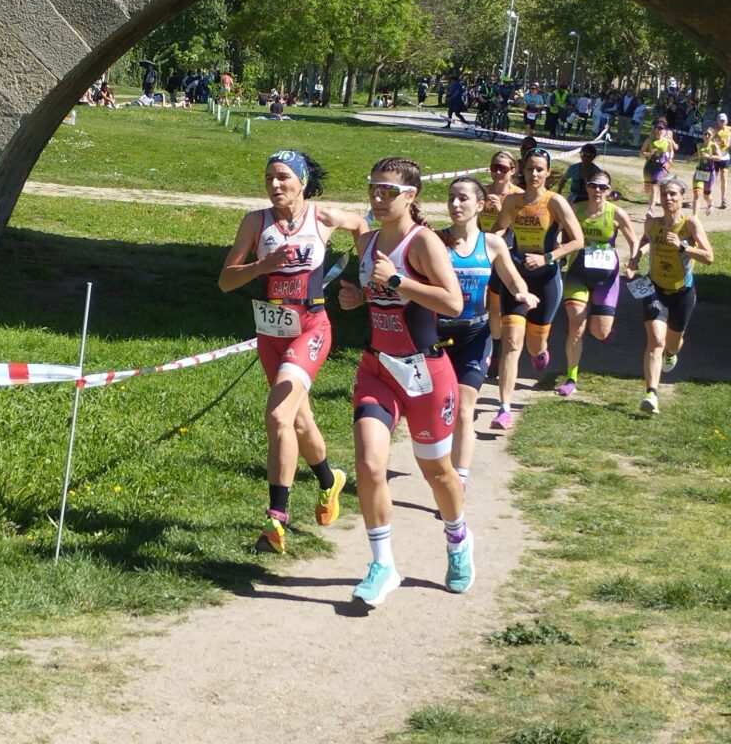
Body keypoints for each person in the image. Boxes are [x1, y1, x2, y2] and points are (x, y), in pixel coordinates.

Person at [337, 158, 471, 605]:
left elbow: (453, 302)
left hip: (425, 372)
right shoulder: (369, 242)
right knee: (370, 465)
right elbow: (372, 295)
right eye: (373, 188)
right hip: (377, 367)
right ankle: (383, 565)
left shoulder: (423, 243)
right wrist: (356, 297)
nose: (377, 197)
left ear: (410, 197)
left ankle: (457, 539)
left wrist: (399, 280)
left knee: (437, 472)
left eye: (388, 191)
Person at [218, 150, 367, 553]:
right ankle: (328, 479)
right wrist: (260, 267)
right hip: (271, 331)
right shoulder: (255, 221)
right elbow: (226, 281)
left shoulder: (321, 218)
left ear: (302, 181)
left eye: (283, 177)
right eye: (268, 178)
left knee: (278, 414)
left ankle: (275, 519)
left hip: (312, 328)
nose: (275, 185)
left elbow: (361, 225)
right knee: (298, 420)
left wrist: (365, 280)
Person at [438, 178, 538, 491]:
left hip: (474, 335)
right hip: (437, 336)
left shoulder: (491, 244)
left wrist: (523, 294)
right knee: (438, 408)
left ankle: (459, 479)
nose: (455, 205)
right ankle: (436, 464)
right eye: (451, 198)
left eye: (463, 199)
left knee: (465, 410)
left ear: (480, 205)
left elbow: (512, 277)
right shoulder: (434, 241)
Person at [490, 148, 584, 429]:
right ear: (522, 169)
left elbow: (577, 240)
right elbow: (498, 230)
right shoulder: (513, 202)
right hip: (517, 278)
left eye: (540, 169)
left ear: (548, 173)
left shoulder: (554, 203)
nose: (534, 174)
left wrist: (547, 257)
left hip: (546, 280)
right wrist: (484, 245)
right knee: (511, 342)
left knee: (533, 343)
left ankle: (540, 351)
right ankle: (504, 408)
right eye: (530, 168)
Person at [624, 179, 713, 415]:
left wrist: (683, 247)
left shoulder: (690, 224)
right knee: (655, 341)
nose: (668, 198)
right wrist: (635, 258)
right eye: (665, 194)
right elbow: (646, 240)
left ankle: (672, 354)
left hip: (682, 292)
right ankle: (651, 394)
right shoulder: (653, 223)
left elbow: (709, 256)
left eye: (673, 194)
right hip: (655, 288)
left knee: (672, 344)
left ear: (682, 197)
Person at [555, 170, 637, 397]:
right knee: (576, 324)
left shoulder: (616, 213)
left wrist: (633, 262)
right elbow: (557, 231)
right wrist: (554, 253)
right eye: (593, 185)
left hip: (606, 278)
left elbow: (633, 240)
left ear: (609, 191)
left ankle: (602, 327)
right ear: (586, 187)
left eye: (603, 187)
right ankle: (571, 377)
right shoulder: (576, 210)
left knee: (599, 332)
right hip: (578, 273)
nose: (598, 191)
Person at [482, 150, 523, 374]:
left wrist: (502, 212)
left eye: (503, 168)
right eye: (495, 167)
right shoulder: (482, 192)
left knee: (500, 306)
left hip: (508, 255)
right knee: (486, 304)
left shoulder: (519, 196)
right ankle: (488, 350)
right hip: (483, 253)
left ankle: (499, 350)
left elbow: (525, 230)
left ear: (513, 171)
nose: (498, 172)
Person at [640, 120, 678, 213]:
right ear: (654, 129)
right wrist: (649, 153)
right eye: (658, 128)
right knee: (647, 189)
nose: (659, 130)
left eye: (661, 128)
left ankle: (651, 209)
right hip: (649, 166)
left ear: (665, 130)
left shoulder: (667, 141)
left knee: (654, 186)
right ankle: (653, 198)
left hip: (660, 167)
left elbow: (670, 153)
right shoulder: (649, 140)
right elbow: (641, 153)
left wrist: (668, 162)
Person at [692, 128, 722, 217]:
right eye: (705, 134)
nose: (707, 136)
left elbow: (719, 157)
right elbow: (698, 155)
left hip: (709, 173)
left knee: (706, 195)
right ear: (703, 135)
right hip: (699, 171)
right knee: (697, 194)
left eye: (709, 134)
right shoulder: (699, 145)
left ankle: (710, 204)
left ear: (712, 136)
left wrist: (709, 156)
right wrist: (691, 158)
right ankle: (695, 216)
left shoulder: (714, 146)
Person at [713, 112, 731, 209]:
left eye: (724, 120)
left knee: (724, 178)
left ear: (726, 121)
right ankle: (708, 197)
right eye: (720, 120)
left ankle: (723, 199)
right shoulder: (713, 130)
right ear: (717, 121)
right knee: (713, 178)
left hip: (725, 157)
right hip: (716, 157)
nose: (722, 122)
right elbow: (708, 141)